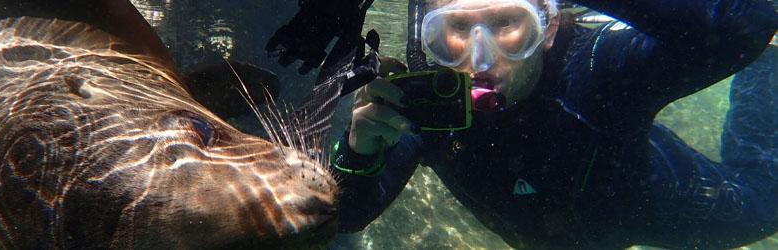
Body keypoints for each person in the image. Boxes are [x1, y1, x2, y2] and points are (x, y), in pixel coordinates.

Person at [330, 0, 778, 248]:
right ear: (423, 36)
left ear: (546, 26)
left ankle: (770, 70)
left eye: (507, 23)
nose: (480, 57)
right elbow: (347, 215)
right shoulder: (429, 106)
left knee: (768, 197)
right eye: (456, 28)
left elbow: (746, 22)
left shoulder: (600, 68)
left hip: (655, 210)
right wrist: (359, 149)